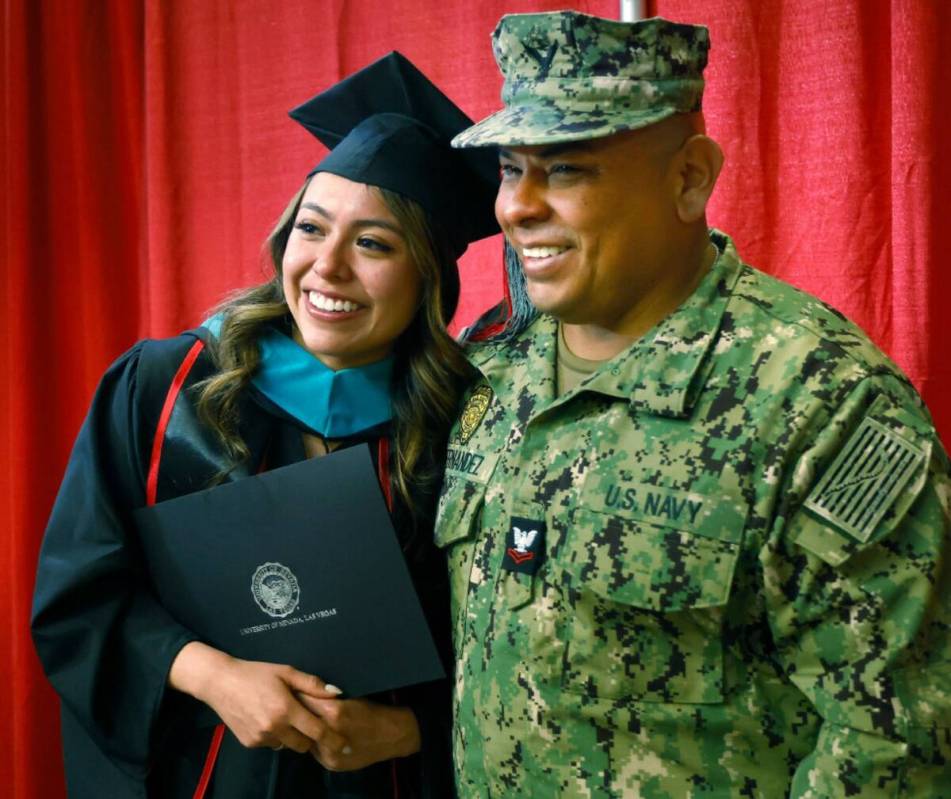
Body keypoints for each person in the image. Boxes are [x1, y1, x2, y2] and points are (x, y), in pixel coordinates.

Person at [436, 11, 951, 798]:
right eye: (510, 168)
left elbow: (897, 738)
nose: (517, 207)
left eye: (567, 170)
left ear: (688, 178)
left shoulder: (821, 398)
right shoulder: (490, 367)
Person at [31, 51, 498, 799]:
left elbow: (507, 648)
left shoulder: (466, 428)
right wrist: (215, 676)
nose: (327, 267)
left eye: (373, 243)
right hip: (196, 774)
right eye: (311, 229)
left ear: (427, 276)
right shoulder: (165, 386)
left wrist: (412, 728)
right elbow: (79, 597)